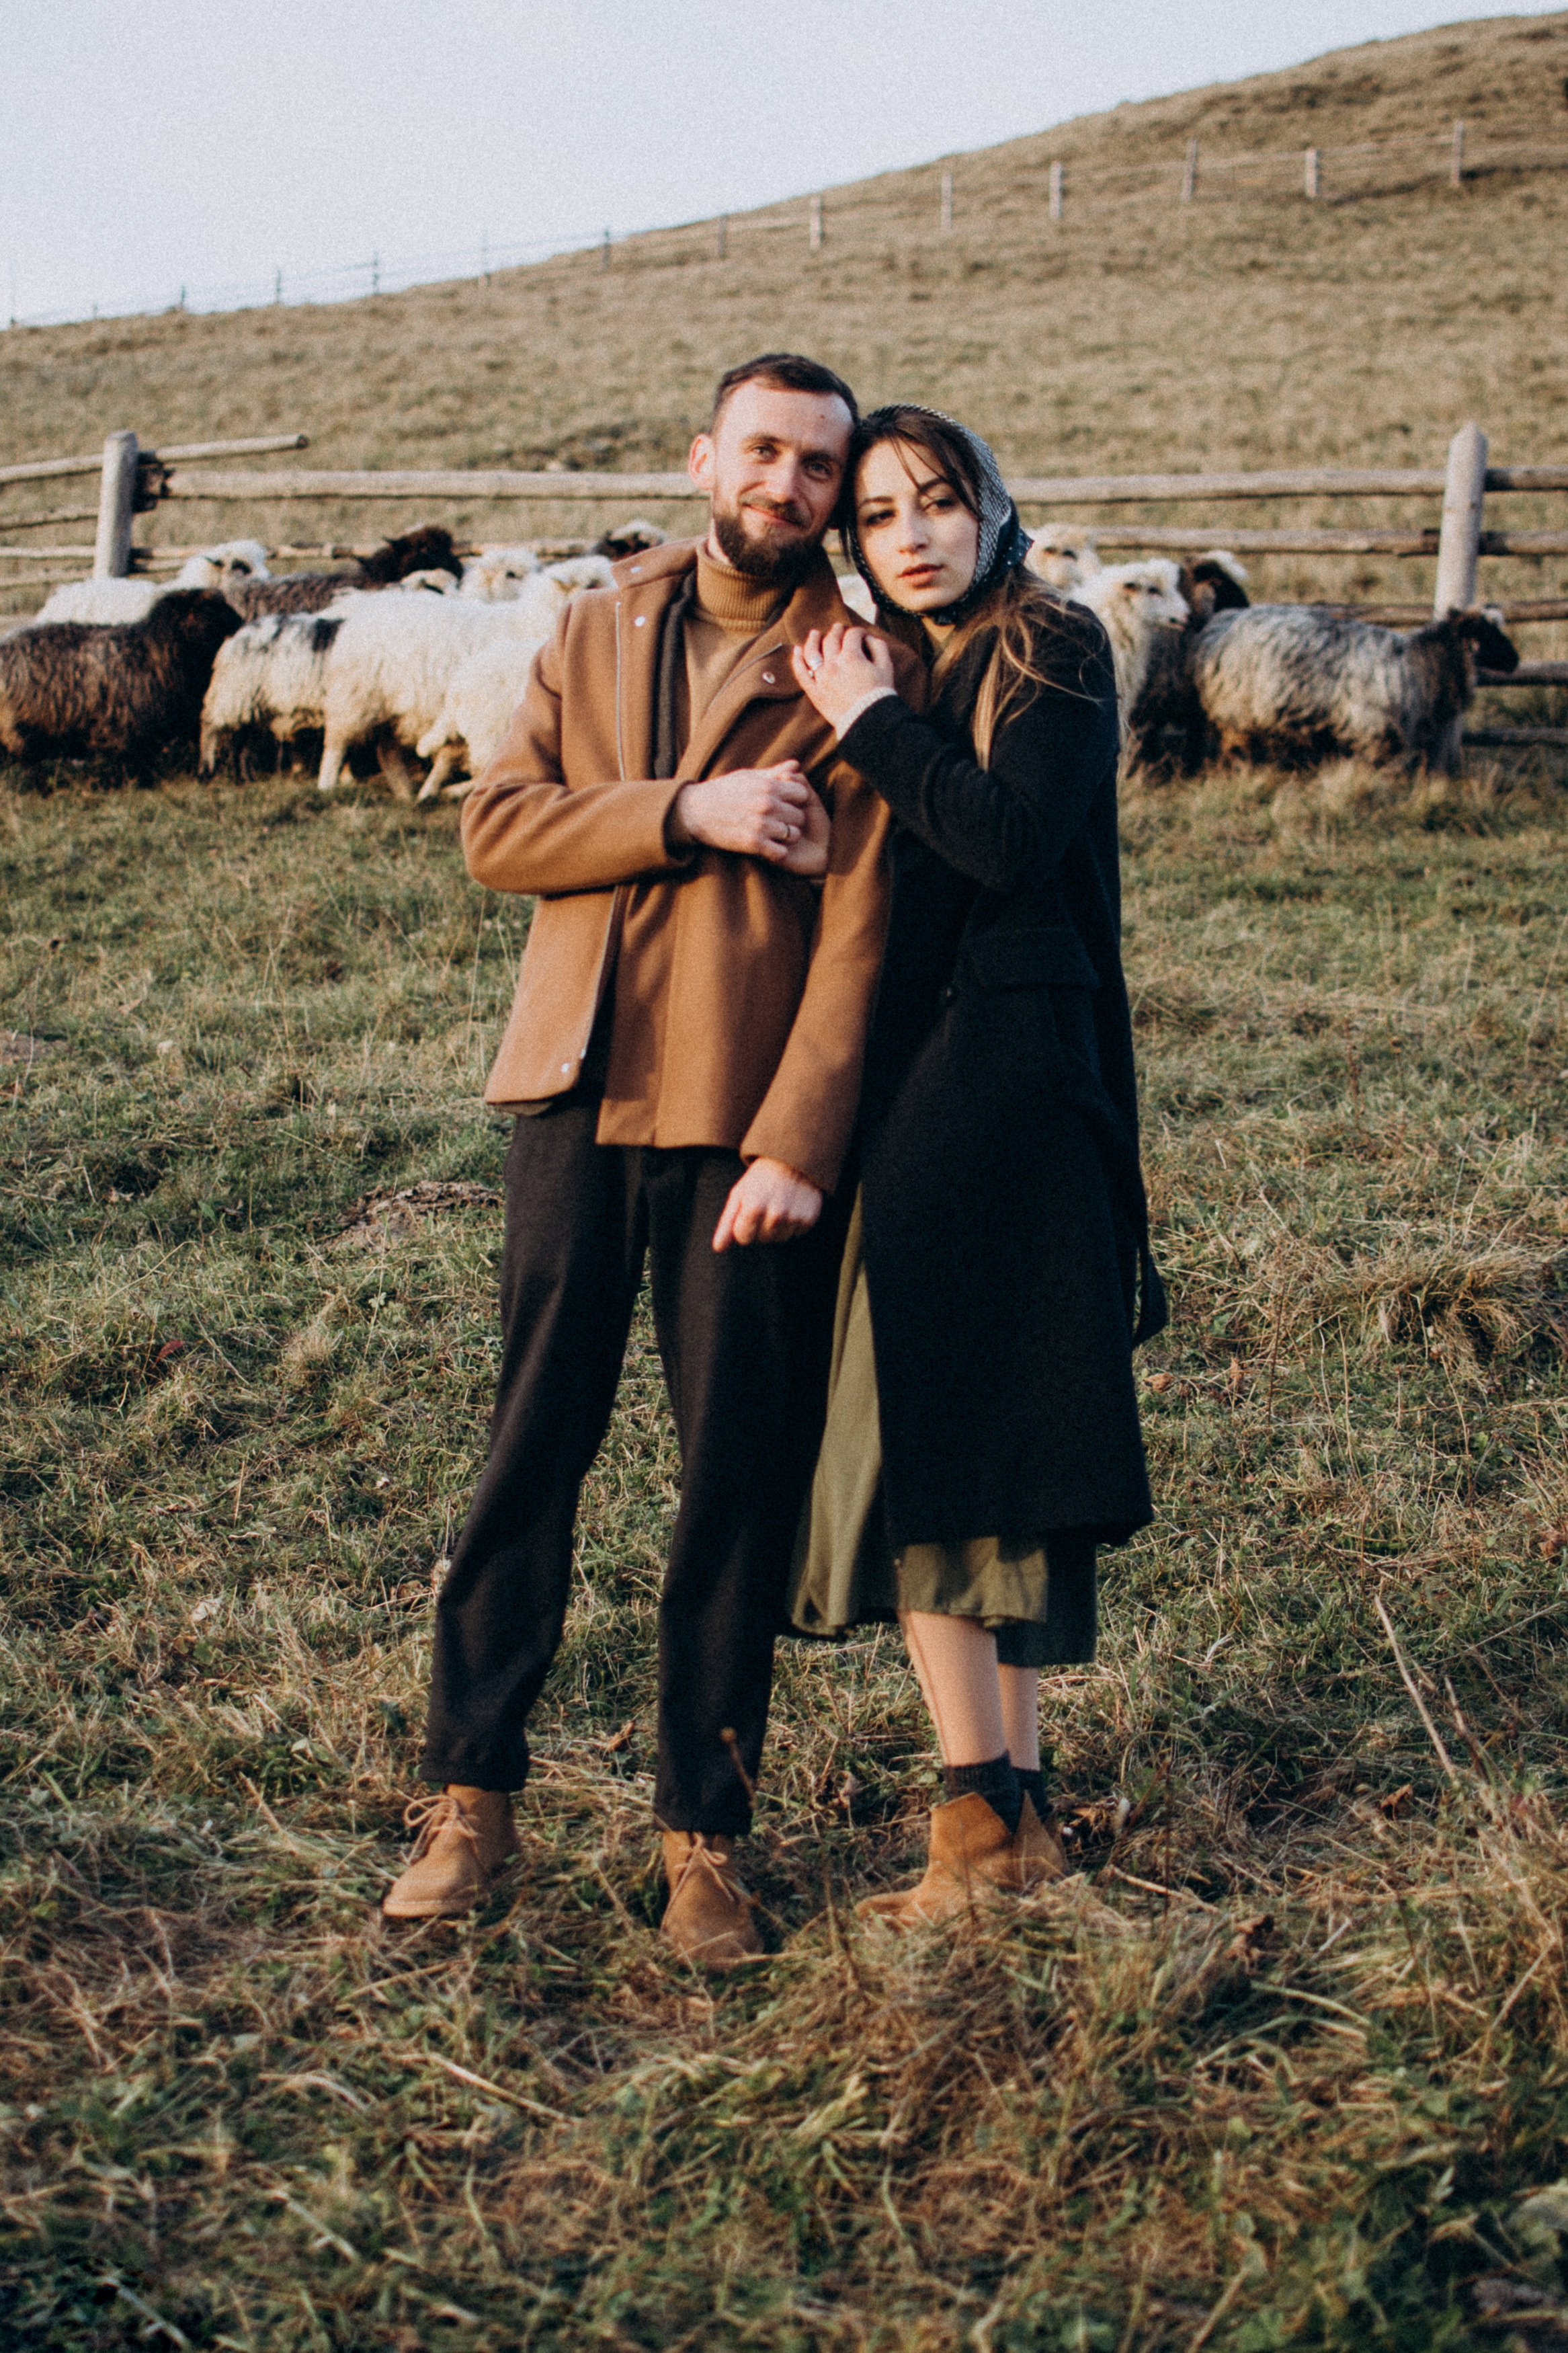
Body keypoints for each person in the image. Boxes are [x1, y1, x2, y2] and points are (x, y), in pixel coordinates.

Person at [383, 354, 923, 1969]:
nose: (790, 485)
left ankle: (708, 1835)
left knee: (731, 1481)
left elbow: (865, 928)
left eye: (821, 467)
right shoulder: (596, 622)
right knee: (527, 1451)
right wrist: (688, 813)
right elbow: (502, 830)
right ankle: (470, 1800)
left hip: (738, 1121)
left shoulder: (856, 662)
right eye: (765, 451)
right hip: (570, 1090)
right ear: (706, 458)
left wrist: (805, 1139)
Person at [788, 404, 1166, 1930]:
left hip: (1006, 1085)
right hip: (918, 1091)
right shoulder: (901, 664)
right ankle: (1005, 1820)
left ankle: (982, 1822)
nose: (915, 533)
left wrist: (875, 727)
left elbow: (1012, 842)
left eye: (940, 501)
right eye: (880, 515)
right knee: (957, 1448)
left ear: (993, 509)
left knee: (958, 1444)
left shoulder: (1053, 645)